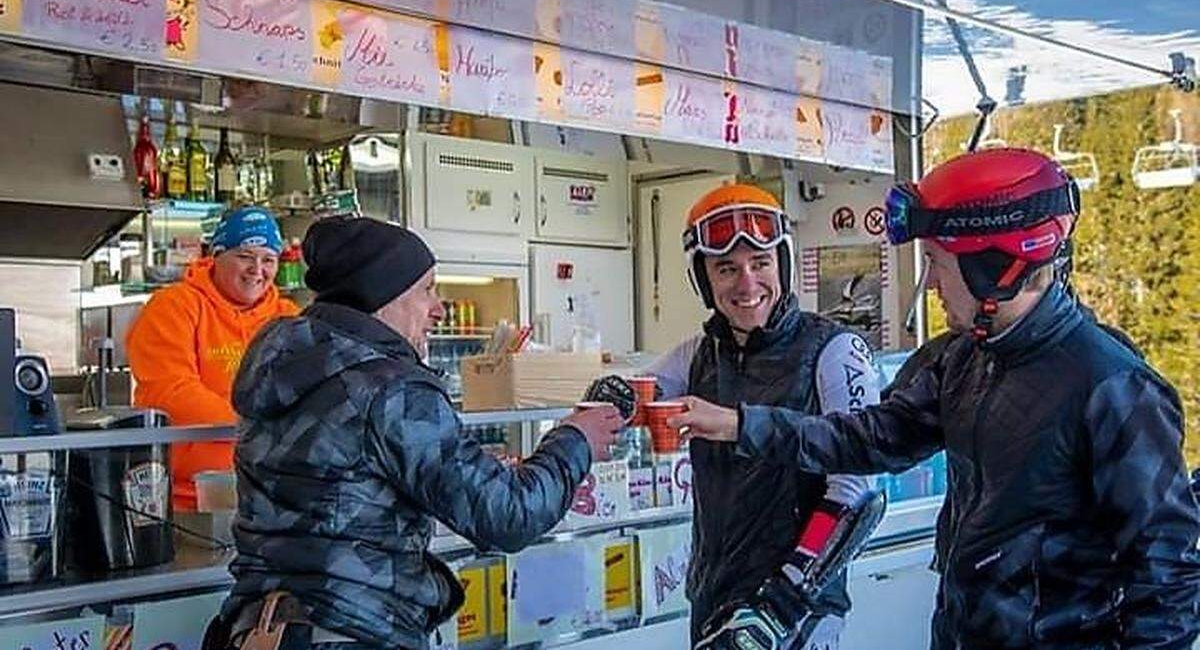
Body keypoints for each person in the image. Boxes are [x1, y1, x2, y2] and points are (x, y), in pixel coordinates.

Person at [673, 149, 1200, 648]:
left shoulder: (1111, 387)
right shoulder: (962, 359)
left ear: (993, 268)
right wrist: (741, 425)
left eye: (937, 263)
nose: (929, 284)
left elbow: (1168, 573)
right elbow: (869, 438)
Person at [208, 216, 621, 650]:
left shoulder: (286, 364)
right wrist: (574, 440)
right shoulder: (390, 388)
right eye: (427, 289)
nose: (438, 307)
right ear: (382, 295)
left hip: (260, 630)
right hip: (354, 631)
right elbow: (508, 516)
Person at [641, 184, 879, 646]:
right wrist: (603, 401)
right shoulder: (698, 354)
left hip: (795, 613)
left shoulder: (834, 350)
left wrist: (785, 596)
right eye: (727, 268)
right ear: (703, 279)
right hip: (714, 600)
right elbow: (636, 392)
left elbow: (856, 491)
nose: (746, 284)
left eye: (760, 263)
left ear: (783, 266)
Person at [127, 206, 299, 510]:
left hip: (273, 498)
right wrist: (260, 429)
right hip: (188, 501)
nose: (257, 269)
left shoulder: (289, 318)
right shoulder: (173, 307)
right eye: (245, 256)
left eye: (268, 260)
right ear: (216, 255)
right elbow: (169, 391)